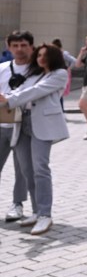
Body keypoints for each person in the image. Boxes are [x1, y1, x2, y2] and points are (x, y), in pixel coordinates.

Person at [0, 43, 69, 236]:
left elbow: (36, 92)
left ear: (54, 57)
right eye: (39, 56)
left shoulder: (59, 74)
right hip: (23, 123)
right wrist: (7, 97)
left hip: (42, 125)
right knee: (27, 170)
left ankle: (45, 214)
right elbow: (21, 90)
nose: (41, 59)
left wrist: (8, 100)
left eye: (45, 56)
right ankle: (37, 211)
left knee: (40, 168)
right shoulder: (34, 74)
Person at [1, 30, 36, 222]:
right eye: (15, 45)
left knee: (23, 168)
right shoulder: (3, 68)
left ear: (31, 46)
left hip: (25, 124)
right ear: (9, 48)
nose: (19, 49)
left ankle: (17, 204)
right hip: (1, 123)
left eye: (23, 45)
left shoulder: (37, 69)